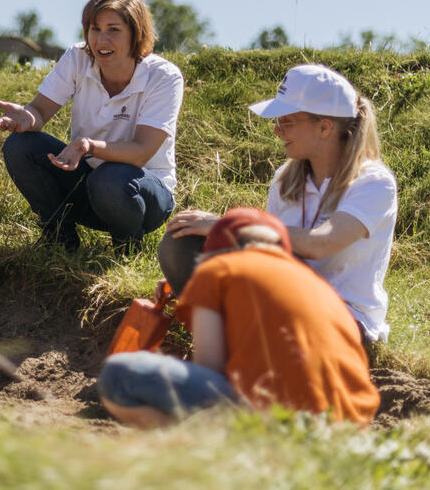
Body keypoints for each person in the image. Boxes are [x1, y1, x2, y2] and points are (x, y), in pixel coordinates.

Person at [162, 64, 398, 342]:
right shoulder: (285, 178)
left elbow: (319, 244)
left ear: (324, 127)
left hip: (343, 318)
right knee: (181, 243)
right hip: (285, 300)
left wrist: (226, 225)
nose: (276, 130)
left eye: (286, 121)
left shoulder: (374, 182)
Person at [99, 208, 380, 427]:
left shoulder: (218, 270)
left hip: (280, 424)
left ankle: (203, 453)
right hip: (349, 426)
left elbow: (210, 369)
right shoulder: (322, 290)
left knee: (118, 374)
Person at [0, 0, 183, 251]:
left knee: (109, 177)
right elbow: (40, 112)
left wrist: (88, 146)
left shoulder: (164, 77)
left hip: (142, 194)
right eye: (94, 29)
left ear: (135, 33)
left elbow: (141, 152)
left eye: (113, 29)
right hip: (89, 186)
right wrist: (26, 117)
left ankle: (127, 248)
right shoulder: (78, 58)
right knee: (19, 145)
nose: (101, 40)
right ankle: (59, 240)